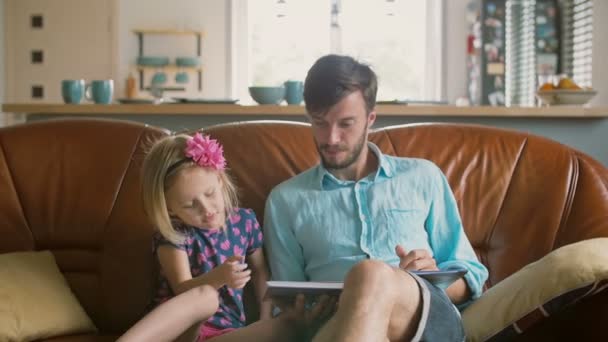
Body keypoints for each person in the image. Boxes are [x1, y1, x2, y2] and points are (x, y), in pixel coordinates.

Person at [264, 54, 489, 341]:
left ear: (370, 119)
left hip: (423, 321)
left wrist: (432, 274)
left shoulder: (422, 177)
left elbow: (472, 277)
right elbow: (287, 306)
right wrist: (300, 315)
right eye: (320, 122)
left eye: (345, 124)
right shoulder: (285, 200)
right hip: (334, 327)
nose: (331, 138)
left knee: (371, 274)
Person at [118, 132, 304, 342]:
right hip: (180, 331)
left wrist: (264, 318)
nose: (206, 210)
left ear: (220, 180)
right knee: (207, 297)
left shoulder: (245, 222)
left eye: (209, 194)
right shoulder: (175, 234)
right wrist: (219, 278)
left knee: (284, 328)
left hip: (225, 332)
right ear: (169, 208)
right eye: (190, 205)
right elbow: (182, 288)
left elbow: (261, 273)